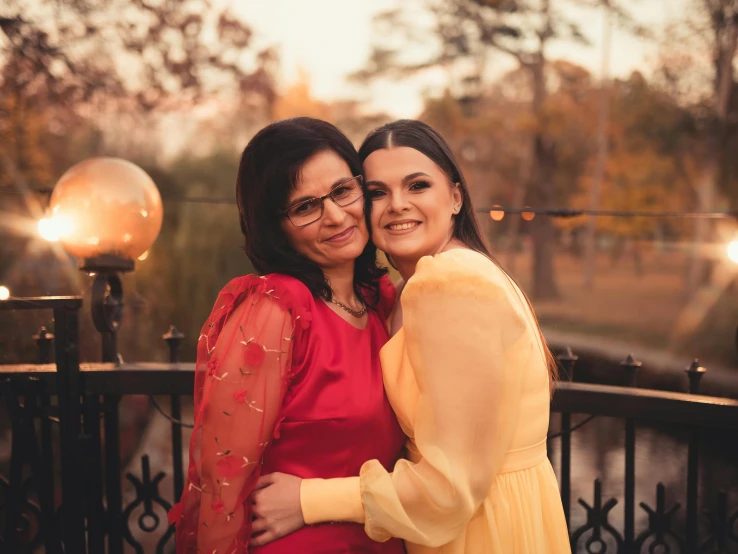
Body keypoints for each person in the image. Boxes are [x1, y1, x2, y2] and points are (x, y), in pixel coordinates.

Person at [250, 119, 572, 554]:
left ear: (456, 197)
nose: (397, 205)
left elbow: (449, 488)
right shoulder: (411, 289)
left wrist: (307, 499)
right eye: (378, 192)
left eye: (417, 185)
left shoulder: (452, 285)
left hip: (478, 532)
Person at [169, 117, 406, 554]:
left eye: (341, 191)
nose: (336, 216)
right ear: (274, 226)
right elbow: (222, 484)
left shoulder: (381, 303)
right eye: (304, 207)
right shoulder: (274, 311)